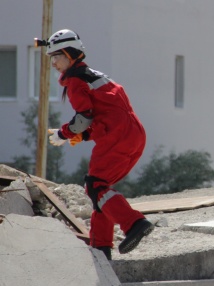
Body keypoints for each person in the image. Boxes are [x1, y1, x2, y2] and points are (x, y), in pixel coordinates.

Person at [36, 29, 153, 260]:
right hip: (133, 134)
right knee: (101, 188)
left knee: (95, 185)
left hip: (117, 136)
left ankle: (134, 223)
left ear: (70, 55)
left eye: (56, 57)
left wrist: (65, 133)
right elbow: (106, 115)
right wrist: (83, 136)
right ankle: (100, 247)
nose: (53, 64)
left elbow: (84, 117)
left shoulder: (75, 81)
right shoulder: (93, 75)